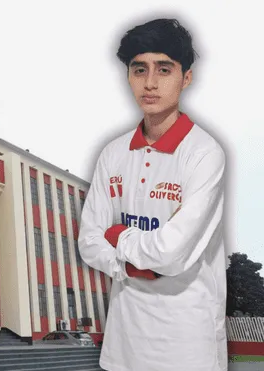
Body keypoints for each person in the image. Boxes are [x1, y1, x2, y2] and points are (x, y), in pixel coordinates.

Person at [78, 18, 228, 371]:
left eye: (164, 69)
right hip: (123, 345)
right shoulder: (113, 154)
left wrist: (117, 236)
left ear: (186, 78)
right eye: (138, 69)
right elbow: (88, 241)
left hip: (188, 347)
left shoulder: (205, 154)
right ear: (127, 76)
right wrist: (136, 261)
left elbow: (171, 254)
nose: (149, 82)